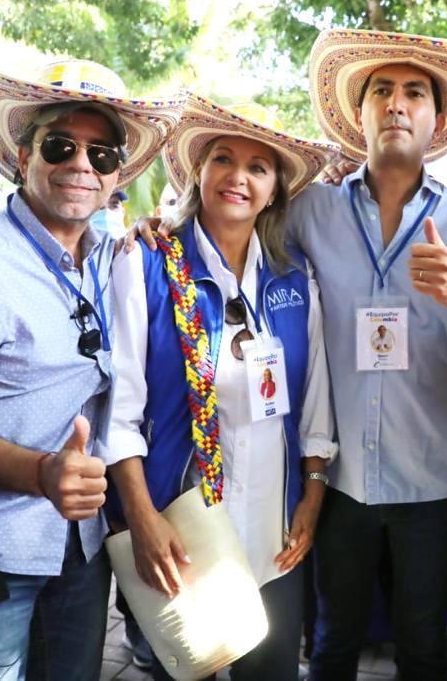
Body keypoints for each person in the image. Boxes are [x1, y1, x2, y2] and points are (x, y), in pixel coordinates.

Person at [0, 59, 183, 680]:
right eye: (61, 145)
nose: (82, 164)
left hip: (80, 549)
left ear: (115, 179)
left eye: (102, 155)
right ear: (23, 158)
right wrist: (41, 472)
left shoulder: (113, 257)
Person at [298, 29, 447, 681]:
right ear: (358, 113)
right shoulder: (312, 212)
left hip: (431, 480)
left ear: (437, 120)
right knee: (333, 641)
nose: (397, 104)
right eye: (382, 92)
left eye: (414, 93)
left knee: (423, 646)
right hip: (337, 483)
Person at [104, 94, 339, 681]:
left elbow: (316, 401)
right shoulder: (148, 264)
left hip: (273, 533)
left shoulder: (293, 276)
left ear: (275, 190)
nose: (238, 177)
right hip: (179, 531)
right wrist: (141, 518)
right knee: (185, 673)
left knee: (275, 672)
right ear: (198, 173)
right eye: (223, 160)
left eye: (258, 168)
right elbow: (121, 411)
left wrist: (311, 493)